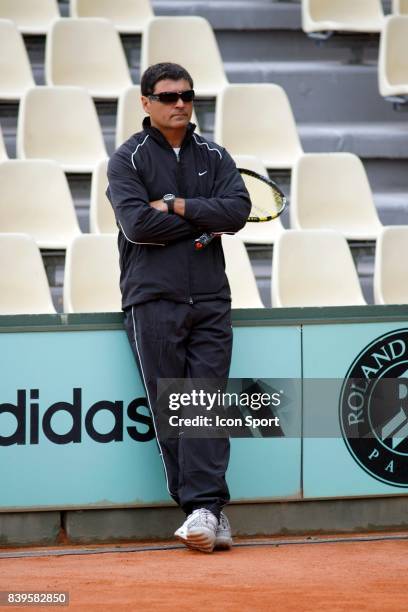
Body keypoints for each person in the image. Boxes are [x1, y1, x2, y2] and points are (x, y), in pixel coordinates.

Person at [106, 62, 251, 553]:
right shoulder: (127, 160)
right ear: (145, 103)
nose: (180, 104)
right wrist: (203, 216)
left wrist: (174, 206)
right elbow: (136, 227)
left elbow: (238, 212)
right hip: (152, 300)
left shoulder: (215, 154)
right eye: (168, 96)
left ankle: (205, 510)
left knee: (207, 406)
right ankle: (203, 509)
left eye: (187, 95)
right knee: (175, 410)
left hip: (211, 297)